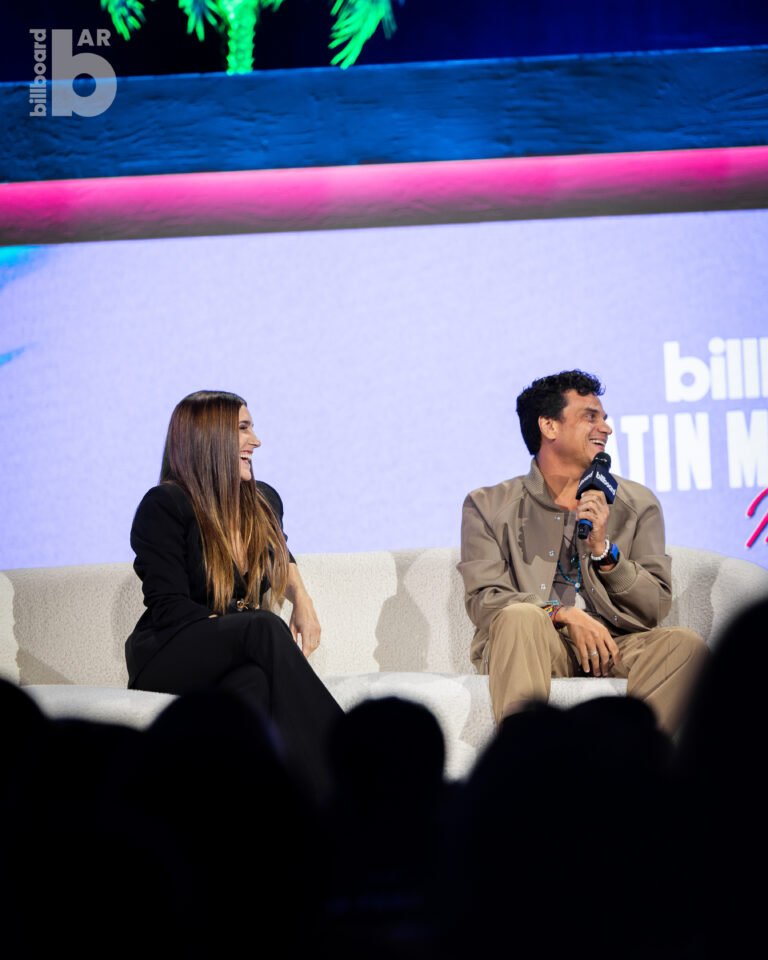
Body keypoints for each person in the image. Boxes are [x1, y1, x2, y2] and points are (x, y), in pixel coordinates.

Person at [458, 370, 707, 734]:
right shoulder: (488, 505)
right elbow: (486, 600)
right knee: (519, 617)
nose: (605, 428)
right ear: (549, 426)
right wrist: (563, 615)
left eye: (604, 418)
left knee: (685, 646)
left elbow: (653, 608)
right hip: (537, 643)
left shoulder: (638, 503)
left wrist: (606, 553)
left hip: (616, 644)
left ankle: (629, 771)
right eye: (590, 416)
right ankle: (525, 769)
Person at [125, 390, 342, 796]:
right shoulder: (165, 505)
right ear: (210, 437)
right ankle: (356, 765)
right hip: (167, 651)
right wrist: (242, 630)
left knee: (255, 684)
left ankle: (263, 810)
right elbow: (169, 608)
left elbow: (282, 552)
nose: (256, 440)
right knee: (262, 627)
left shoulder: (263, 501)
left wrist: (304, 602)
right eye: (244, 428)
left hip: (234, 654)